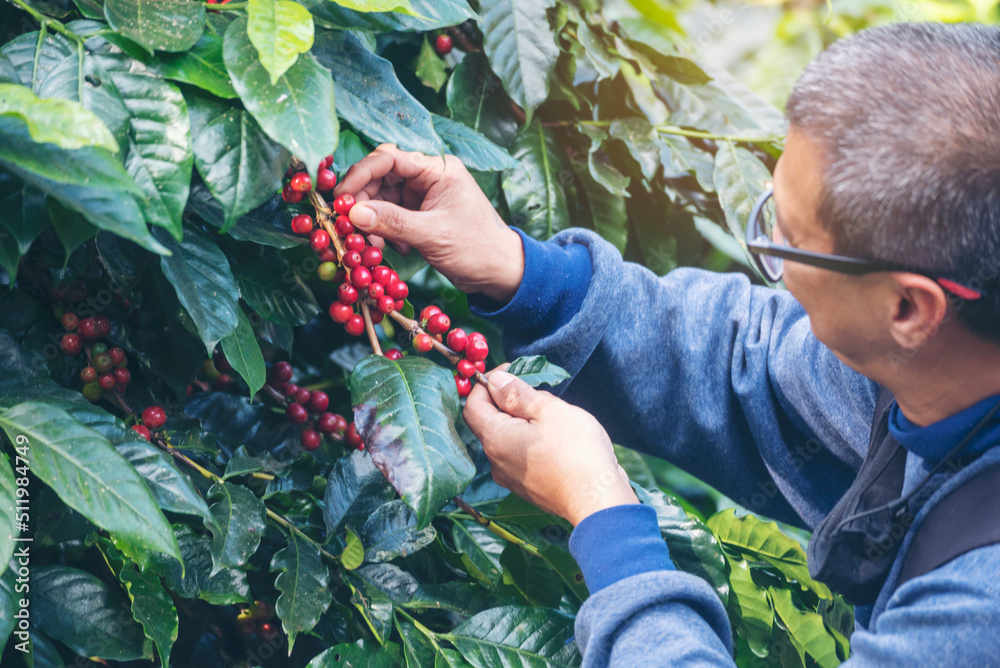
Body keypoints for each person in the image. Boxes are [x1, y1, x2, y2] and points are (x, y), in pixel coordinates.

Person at [333, 21, 1000, 666]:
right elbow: (751, 365)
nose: (773, 257)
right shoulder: (946, 372)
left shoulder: (977, 615)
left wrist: (604, 515)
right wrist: (524, 271)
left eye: (785, 240)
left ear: (909, 308)